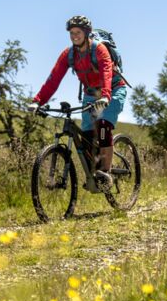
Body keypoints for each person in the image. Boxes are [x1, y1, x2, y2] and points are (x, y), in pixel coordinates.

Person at [30, 15, 127, 187]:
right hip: (90, 94)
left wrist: (106, 95)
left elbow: (106, 72)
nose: (74, 36)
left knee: (103, 126)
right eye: (72, 33)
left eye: (78, 32)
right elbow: (53, 79)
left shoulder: (99, 50)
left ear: (87, 33)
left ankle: (106, 173)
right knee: (87, 134)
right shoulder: (68, 54)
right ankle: (94, 174)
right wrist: (38, 101)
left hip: (113, 89)